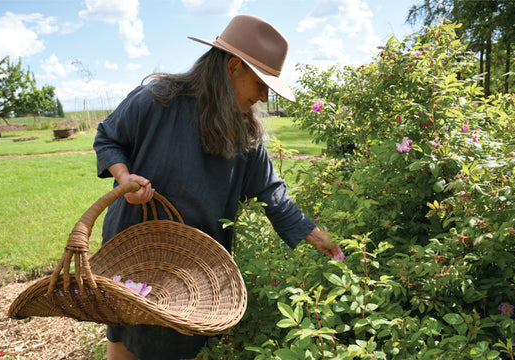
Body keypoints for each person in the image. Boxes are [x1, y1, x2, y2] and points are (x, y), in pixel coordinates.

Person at [93, 14, 344, 360]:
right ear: (234, 66)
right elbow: (108, 137)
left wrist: (318, 236)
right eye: (261, 83)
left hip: (194, 266)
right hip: (134, 247)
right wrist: (124, 178)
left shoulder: (247, 134)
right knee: (123, 336)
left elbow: (272, 193)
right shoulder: (156, 99)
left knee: (173, 342)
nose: (264, 96)